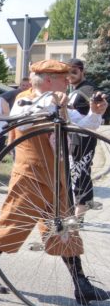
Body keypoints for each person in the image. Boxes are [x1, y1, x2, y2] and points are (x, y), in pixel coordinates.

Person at [0, 60, 109, 304]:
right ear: (49, 80)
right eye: (63, 77)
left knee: (65, 228)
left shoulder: (61, 101)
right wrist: (49, 102)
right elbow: (23, 119)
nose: (68, 81)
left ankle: (81, 284)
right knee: (13, 222)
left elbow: (81, 126)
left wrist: (95, 112)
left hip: (56, 176)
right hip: (31, 174)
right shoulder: (25, 99)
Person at [67, 58, 101, 217]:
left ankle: (78, 217)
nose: (70, 74)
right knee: (75, 177)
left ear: (82, 71)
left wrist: (98, 101)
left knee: (80, 176)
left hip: (83, 139)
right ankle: (77, 214)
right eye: (68, 71)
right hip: (73, 138)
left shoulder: (87, 88)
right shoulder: (74, 90)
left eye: (74, 71)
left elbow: (96, 98)